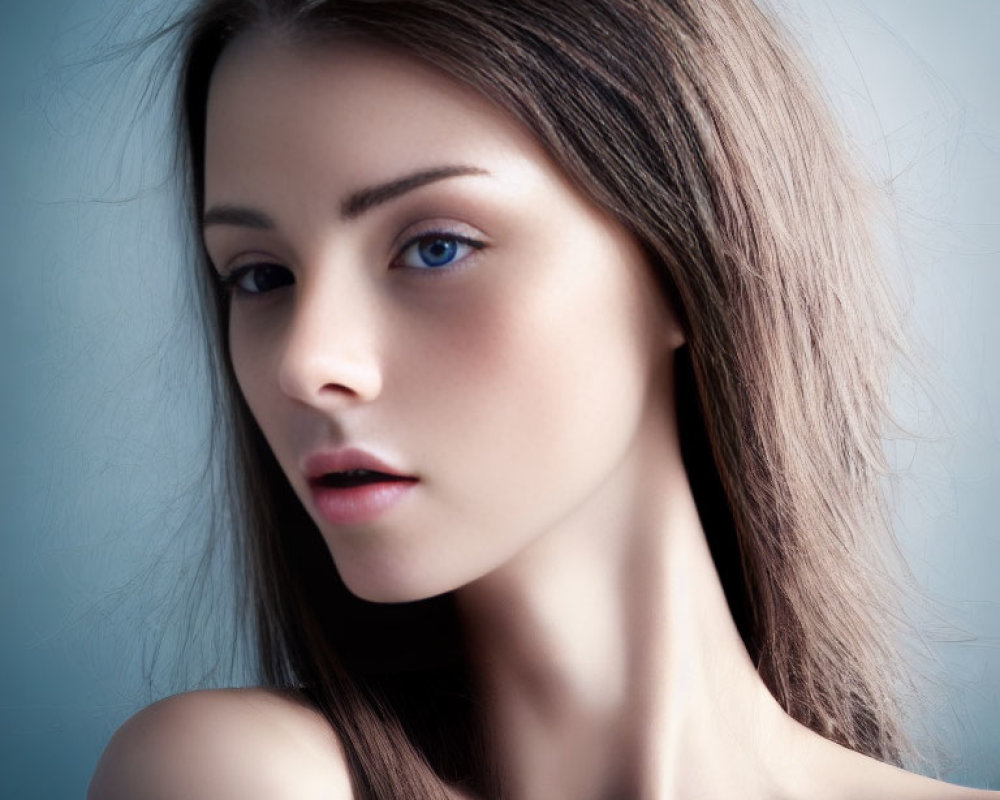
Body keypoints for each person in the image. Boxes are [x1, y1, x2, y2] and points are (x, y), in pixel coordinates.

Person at [86, 0, 998, 798]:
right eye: (261, 275)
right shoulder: (235, 778)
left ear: (684, 265)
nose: (304, 362)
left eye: (435, 246)